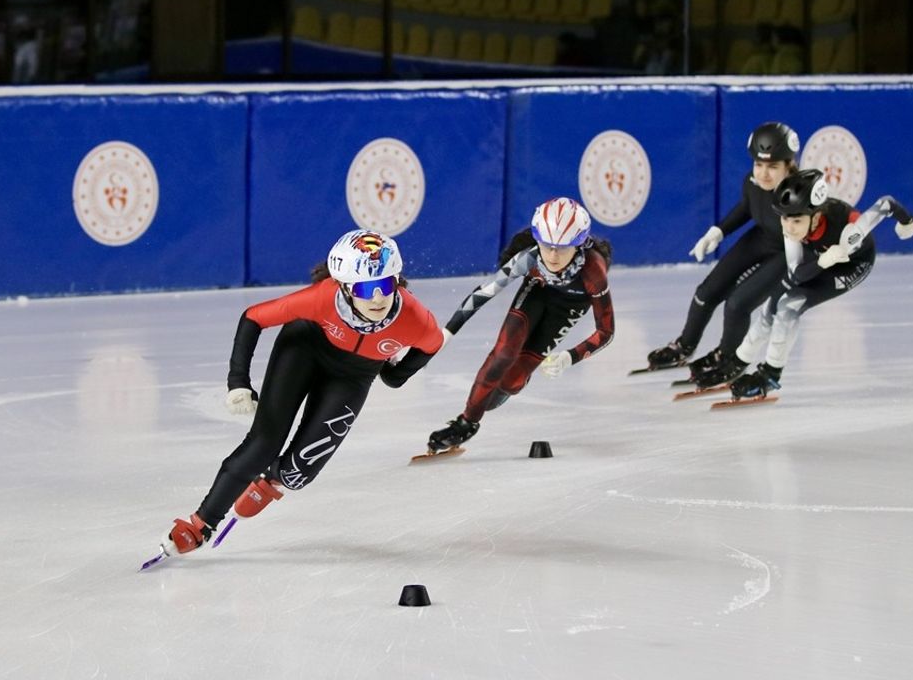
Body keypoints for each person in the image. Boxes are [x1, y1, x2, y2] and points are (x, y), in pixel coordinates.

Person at [158, 230, 444, 557]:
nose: (378, 297)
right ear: (347, 288)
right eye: (366, 288)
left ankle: (270, 483)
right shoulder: (322, 298)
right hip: (304, 349)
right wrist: (238, 380)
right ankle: (201, 523)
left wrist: (395, 376)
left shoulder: (415, 319)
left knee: (298, 473)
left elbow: (432, 344)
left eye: (387, 285)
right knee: (264, 444)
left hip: (353, 376)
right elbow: (253, 317)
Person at [426, 197, 614, 453]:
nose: (553, 255)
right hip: (537, 292)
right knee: (504, 353)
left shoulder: (594, 271)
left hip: (569, 307)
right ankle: (465, 424)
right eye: (547, 245)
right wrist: (447, 332)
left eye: (563, 248)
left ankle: (508, 385)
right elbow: (483, 293)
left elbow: (606, 331)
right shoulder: (530, 258)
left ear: (579, 244)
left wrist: (570, 357)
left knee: (511, 382)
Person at [727, 168, 913, 399]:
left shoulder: (849, 231)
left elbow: (886, 204)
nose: (788, 227)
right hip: (821, 259)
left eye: (796, 220)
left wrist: (908, 222)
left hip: (853, 263)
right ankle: (740, 359)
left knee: (789, 307)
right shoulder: (792, 228)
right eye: (784, 218)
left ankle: (771, 374)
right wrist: (823, 260)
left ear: (816, 217)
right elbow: (797, 273)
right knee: (772, 302)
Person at [645, 121, 800, 388]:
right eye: (758, 164)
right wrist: (717, 232)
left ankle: (729, 359)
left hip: (788, 253)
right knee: (707, 291)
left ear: (789, 165)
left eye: (773, 167)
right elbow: (746, 208)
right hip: (762, 237)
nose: (763, 174)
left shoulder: (801, 194)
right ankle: (685, 345)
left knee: (738, 304)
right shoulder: (752, 182)